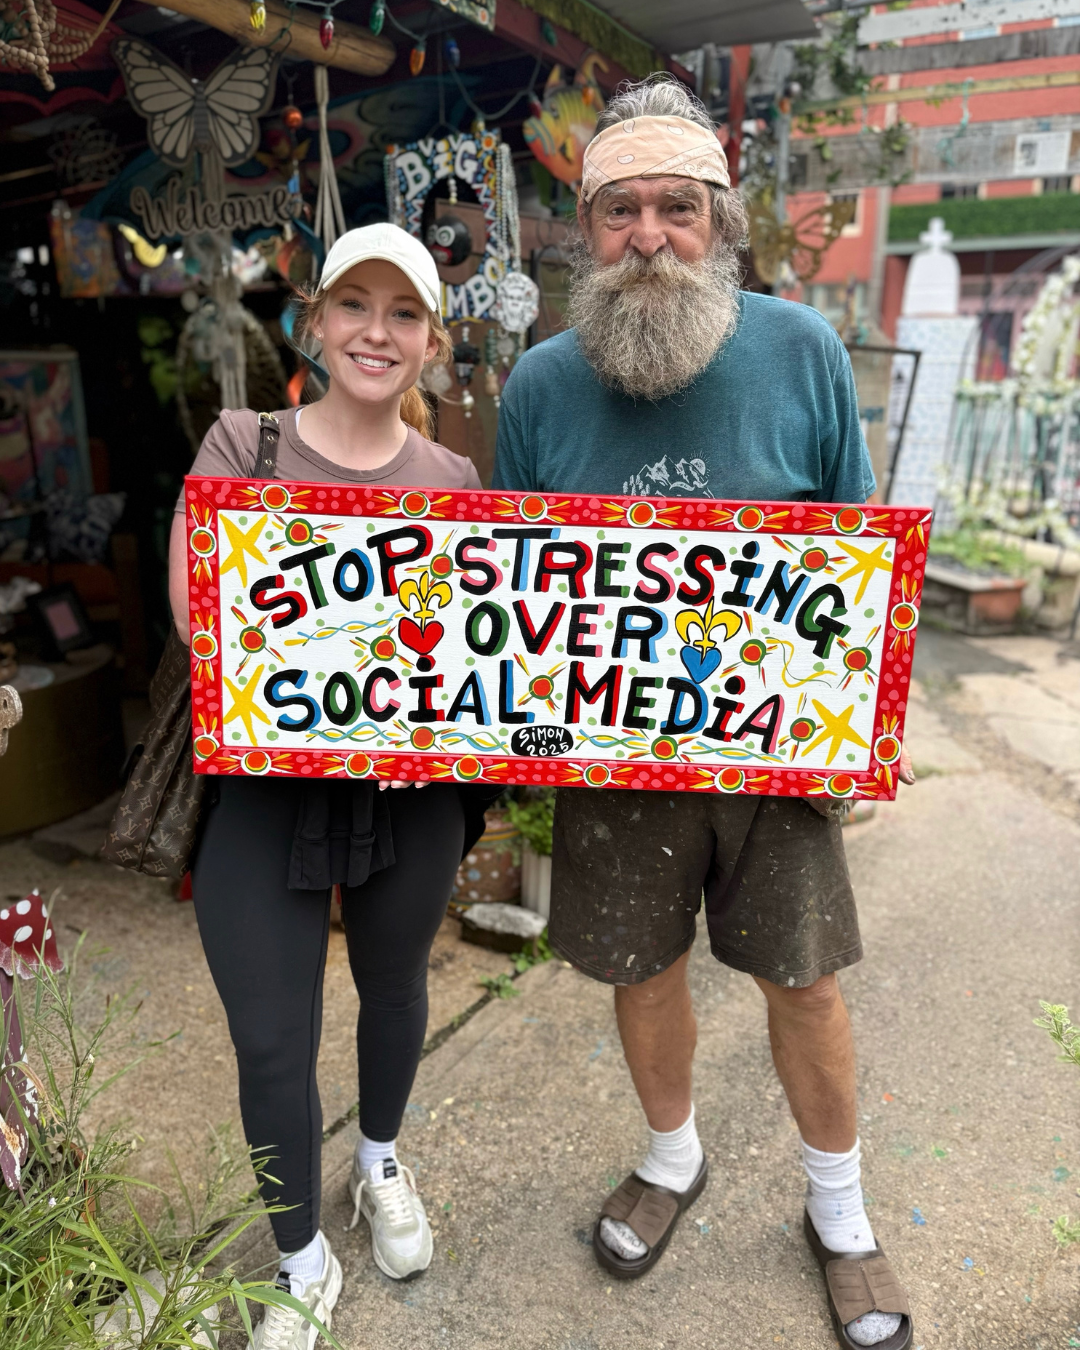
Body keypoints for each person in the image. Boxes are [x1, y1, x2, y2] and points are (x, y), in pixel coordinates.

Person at [493, 78, 915, 1350]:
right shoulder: (540, 385)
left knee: (805, 979)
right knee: (640, 967)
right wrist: (518, 742)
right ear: (584, 231)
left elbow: (858, 552)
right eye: (619, 210)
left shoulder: (803, 351)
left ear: (721, 222)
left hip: (772, 752)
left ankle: (840, 1212)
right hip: (614, 757)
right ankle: (672, 1157)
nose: (649, 237)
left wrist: (857, 730)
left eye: (677, 207)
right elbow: (508, 589)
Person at [168, 224, 495, 1350]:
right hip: (266, 792)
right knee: (270, 1036)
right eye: (355, 304)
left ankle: (379, 1163)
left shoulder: (454, 480)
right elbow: (196, 615)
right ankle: (300, 1260)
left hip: (411, 797)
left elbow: (484, 646)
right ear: (314, 320)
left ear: (431, 342)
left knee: (396, 986)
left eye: (404, 314)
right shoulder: (242, 443)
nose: (376, 332)